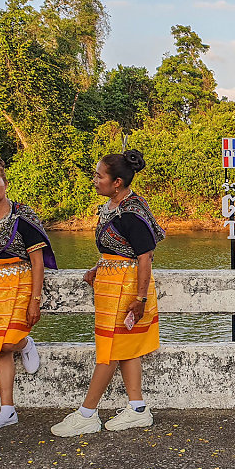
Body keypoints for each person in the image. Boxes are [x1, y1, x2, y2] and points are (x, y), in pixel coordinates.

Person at [51, 149, 164, 437]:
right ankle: (138, 408)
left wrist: (139, 299)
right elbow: (118, 250)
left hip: (126, 288)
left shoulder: (132, 212)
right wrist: (97, 266)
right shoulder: (114, 206)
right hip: (111, 282)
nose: (94, 180)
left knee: (109, 351)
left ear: (116, 182)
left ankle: (87, 413)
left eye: (99, 176)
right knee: (126, 348)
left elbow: (144, 257)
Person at [0, 156, 57, 434]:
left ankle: (25, 343)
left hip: (20, 283)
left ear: (5, 183)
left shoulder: (22, 215)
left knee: (7, 343)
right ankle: (7, 410)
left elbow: (37, 261)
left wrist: (35, 300)